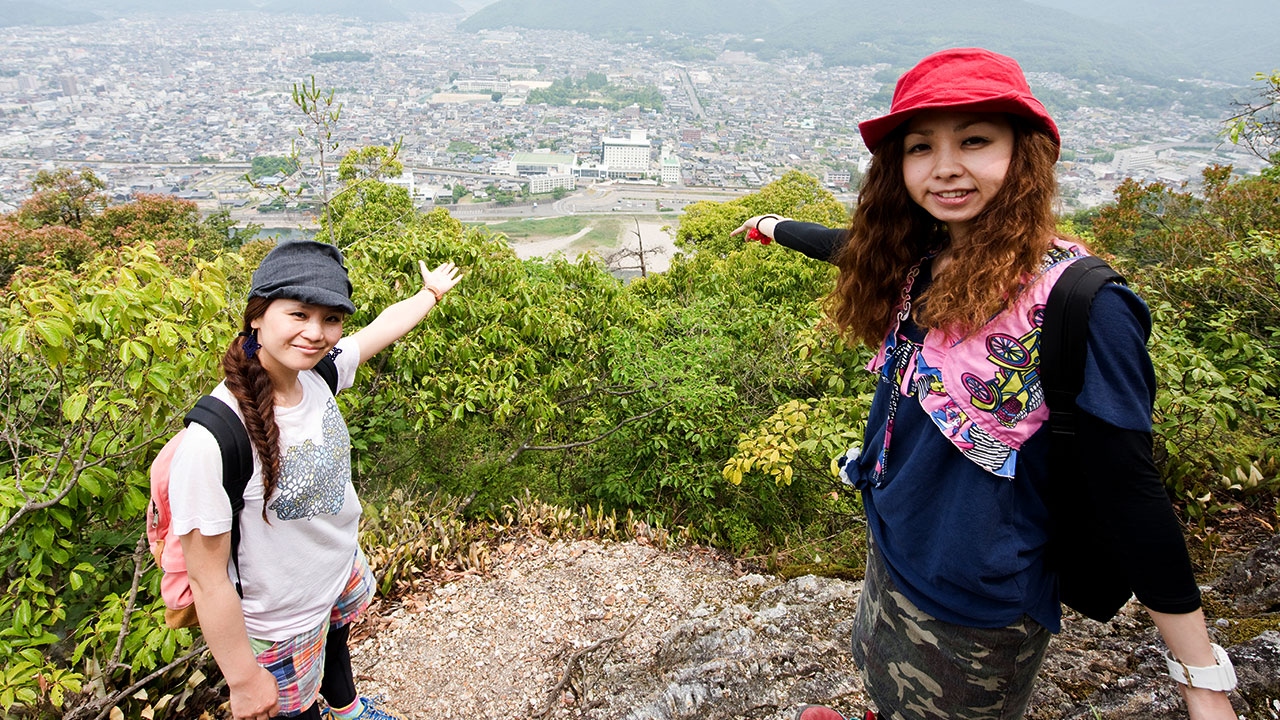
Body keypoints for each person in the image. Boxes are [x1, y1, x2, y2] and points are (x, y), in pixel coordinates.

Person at [732, 48, 1237, 720]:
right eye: (921, 147)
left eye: (974, 140)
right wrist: (772, 227)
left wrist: (1201, 680)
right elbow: (847, 244)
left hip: (977, 593)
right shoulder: (921, 258)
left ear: (1023, 155)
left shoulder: (1082, 305)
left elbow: (1131, 491)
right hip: (895, 539)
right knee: (885, 679)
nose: (945, 166)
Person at [170, 240, 462, 720]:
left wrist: (429, 293)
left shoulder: (317, 374)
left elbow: (378, 331)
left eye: (330, 318)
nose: (316, 332)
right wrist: (244, 680)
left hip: (333, 566)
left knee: (337, 639)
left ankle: (347, 709)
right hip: (280, 617)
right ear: (257, 316)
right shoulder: (216, 437)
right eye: (299, 314)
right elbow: (207, 579)